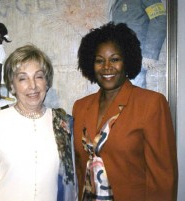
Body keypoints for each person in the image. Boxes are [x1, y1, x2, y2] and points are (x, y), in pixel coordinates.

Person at [73, 22, 178, 200]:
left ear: (127, 60)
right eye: (99, 60)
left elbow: (163, 176)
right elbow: (79, 169)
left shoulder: (151, 103)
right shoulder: (80, 107)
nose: (107, 67)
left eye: (115, 59)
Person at [0, 44, 78, 201]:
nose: (33, 86)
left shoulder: (62, 124)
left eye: (39, 76)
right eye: (23, 78)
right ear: (11, 85)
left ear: (47, 82)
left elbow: (72, 182)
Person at [108, 0, 167, 88]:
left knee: (134, 96)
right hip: (119, 57)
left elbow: (159, 19)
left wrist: (150, 53)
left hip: (136, 56)